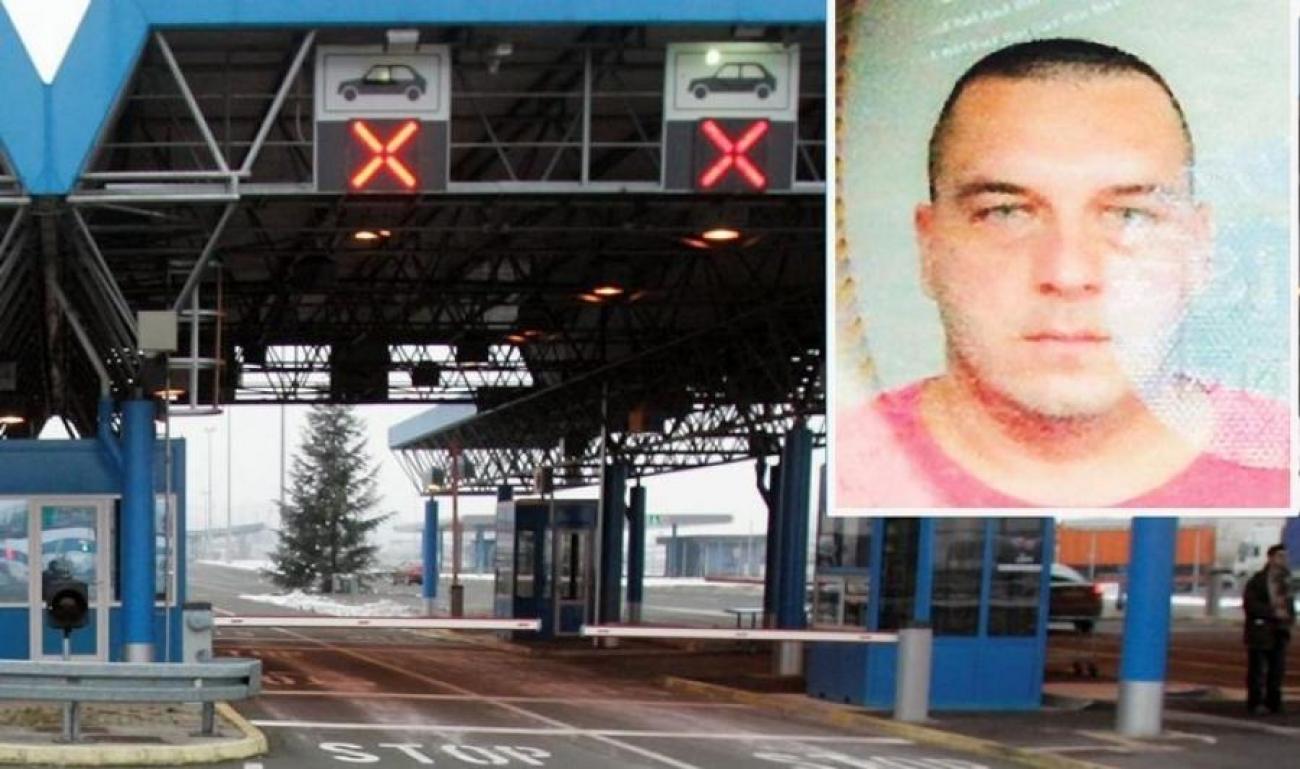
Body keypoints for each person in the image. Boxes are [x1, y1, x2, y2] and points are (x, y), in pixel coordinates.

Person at [836, 38, 1289, 508]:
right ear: (929, 247)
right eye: (1006, 213)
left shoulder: (1284, 462)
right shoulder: (845, 472)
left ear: (1198, 249)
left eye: (1129, 216)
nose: (1068, 274)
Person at [1242, 544, 1295, 715]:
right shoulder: (1257, 581)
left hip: (1280, 631)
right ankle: (1255, 702)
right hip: (1261, 631)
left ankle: (1274, 702)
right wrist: (1273, 612)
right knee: (1258, 669)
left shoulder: (1286, 581)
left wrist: (1289, 619)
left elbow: (1289, 604)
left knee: (1277, 669)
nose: (1283, 560)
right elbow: (1250, 604)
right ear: (1271, 558)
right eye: (1280, 556)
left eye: (1285, 556)